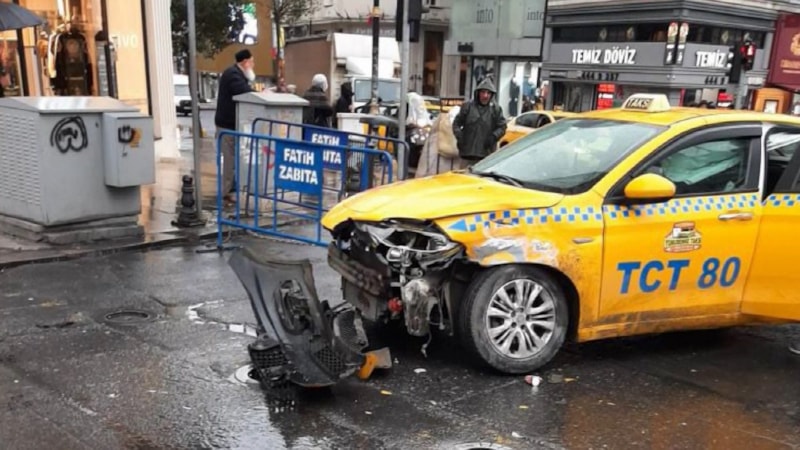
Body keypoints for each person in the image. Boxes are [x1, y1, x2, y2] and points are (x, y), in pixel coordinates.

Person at [214, 49, 256, 204]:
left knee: (236, 159)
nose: (253, 65)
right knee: (230, 160)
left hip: (233, 125)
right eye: (252, 61)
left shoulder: (237, 75)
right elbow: (244, 92)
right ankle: (226, 193)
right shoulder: (233, 75)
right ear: (245, 62)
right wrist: (259, 93)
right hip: (228, 126)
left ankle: (233, 190)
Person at [452, 78, 507, 164]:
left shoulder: (496, 109)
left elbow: (502, 126)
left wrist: (493, 137)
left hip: (486, 155)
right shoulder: (468, 107)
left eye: (488, 93)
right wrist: (460, 137)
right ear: (478, 93)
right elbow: (456, 123)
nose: (485, 96)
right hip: (467, 154)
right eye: (483, 92)